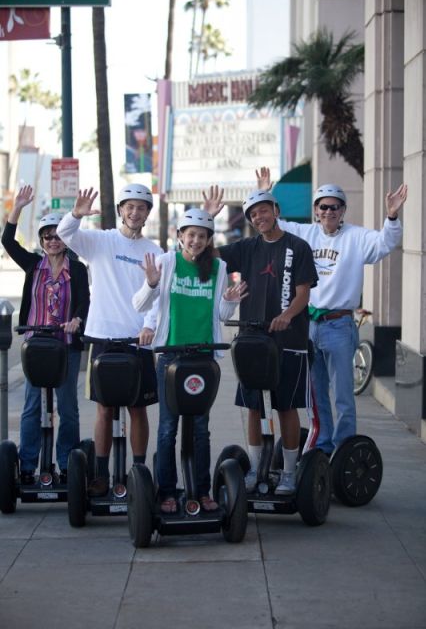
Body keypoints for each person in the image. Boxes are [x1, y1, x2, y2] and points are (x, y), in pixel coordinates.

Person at [256, 166, 407, 455]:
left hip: (339, 325)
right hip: (309, 325)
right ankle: (322, 446)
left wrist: (391, 216)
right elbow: (275, 224)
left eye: (334, 207)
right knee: (315, 395)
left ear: (343, 210)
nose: (329, 212)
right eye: (323, 207)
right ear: (315, 210)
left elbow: (386, 243)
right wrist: (266, 193)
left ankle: (344, 451)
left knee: (343, 397)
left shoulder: (357, 237)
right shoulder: (305, 234)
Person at [132, 208, 248, 513]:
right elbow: (140, 304)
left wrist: (231, 300)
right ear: (180, 236)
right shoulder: (167, 262)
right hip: (170, 356)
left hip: (202, 357)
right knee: (168, 428)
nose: (195, 240)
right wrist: (152, 283)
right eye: (190, 235)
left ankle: (201, 490)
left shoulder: (218, 268)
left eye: (201, 236)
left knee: (200, 427)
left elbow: (221, 316)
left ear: (209, 239)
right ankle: (167, 492)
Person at [204, 187, 318, 495]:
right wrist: (208, 219)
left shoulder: (298, 247)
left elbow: (303, 293)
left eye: (263, 210)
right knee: (253, 407)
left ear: (276, 211)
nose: (259, 217)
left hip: (289, 341)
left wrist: (287, 316)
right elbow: (209, 252)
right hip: (253, 342)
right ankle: (255, 469)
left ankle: (290, 472)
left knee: (286, 407)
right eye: (254, 214)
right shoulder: (247, 248)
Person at [57, 183, 162, 497]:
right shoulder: (101, 241)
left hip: (137, 341)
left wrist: (150, 326)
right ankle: (101, 475)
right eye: (129, 206)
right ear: (121, 210)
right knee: (104, 408)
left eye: (141, 207)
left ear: (147, 214)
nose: (134, 212)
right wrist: (76, 213)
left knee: (138, 409)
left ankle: (139, 471)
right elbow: (65, 234)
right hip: (103, 338)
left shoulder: (155, 252)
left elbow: (158, 298)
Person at [1, 185, 90, 484]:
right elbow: (7, 241)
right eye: (47, 236)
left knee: (68, 407)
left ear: (66, 239)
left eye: (57, 236)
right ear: (41, 241)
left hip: (66, 346)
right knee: (32, 406)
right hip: (37, 346)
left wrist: (77, 319)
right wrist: (17, 209)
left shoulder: (77, 270)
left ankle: (67, 464)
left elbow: (84, 300)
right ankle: (27, 465)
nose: (52, 241)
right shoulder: (32, 267)